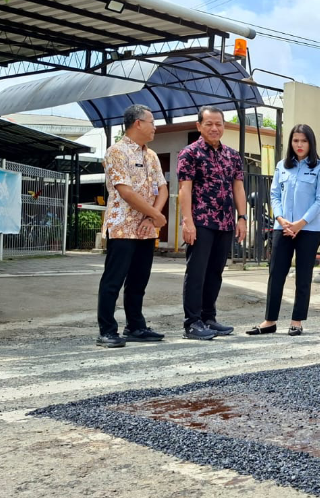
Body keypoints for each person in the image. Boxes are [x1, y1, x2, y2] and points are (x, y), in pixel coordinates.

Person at [247, 124, 320, 336]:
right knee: (276, 274)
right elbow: (274, 195)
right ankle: (270, 321)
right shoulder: (282, 167)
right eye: (295, 141)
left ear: (310, 143)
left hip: (308, 230)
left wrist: (300, 223)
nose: (299, 145)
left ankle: (297, 321)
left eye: (303, 141)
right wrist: (281, 220)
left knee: (303, 276)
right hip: (281, 228)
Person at [96, 104, 168, 348]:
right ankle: (107, 330)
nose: (154, 126)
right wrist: (155, 215)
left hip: (146, 228)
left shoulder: (152, 155)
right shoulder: (116, 152)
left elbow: (163, 188)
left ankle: (135, 326)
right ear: (138, 123)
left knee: (139, 281)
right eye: (152, 122)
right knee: (113, 280)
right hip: (123, 227)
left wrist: (152, 218)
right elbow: (125, 191)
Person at [177, 106, 248, 340]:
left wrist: (242, 217)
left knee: (215, 273)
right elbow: (184, 190)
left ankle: (209, 317)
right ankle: (192, 322)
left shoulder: (232, 155)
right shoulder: (189, 153)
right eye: (209, 124)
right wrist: (187, 221)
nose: (214, 128)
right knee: (197, 272)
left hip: (226, 222)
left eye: (218, 124)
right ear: (199, 126)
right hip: (201, 221)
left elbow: (238, 187)